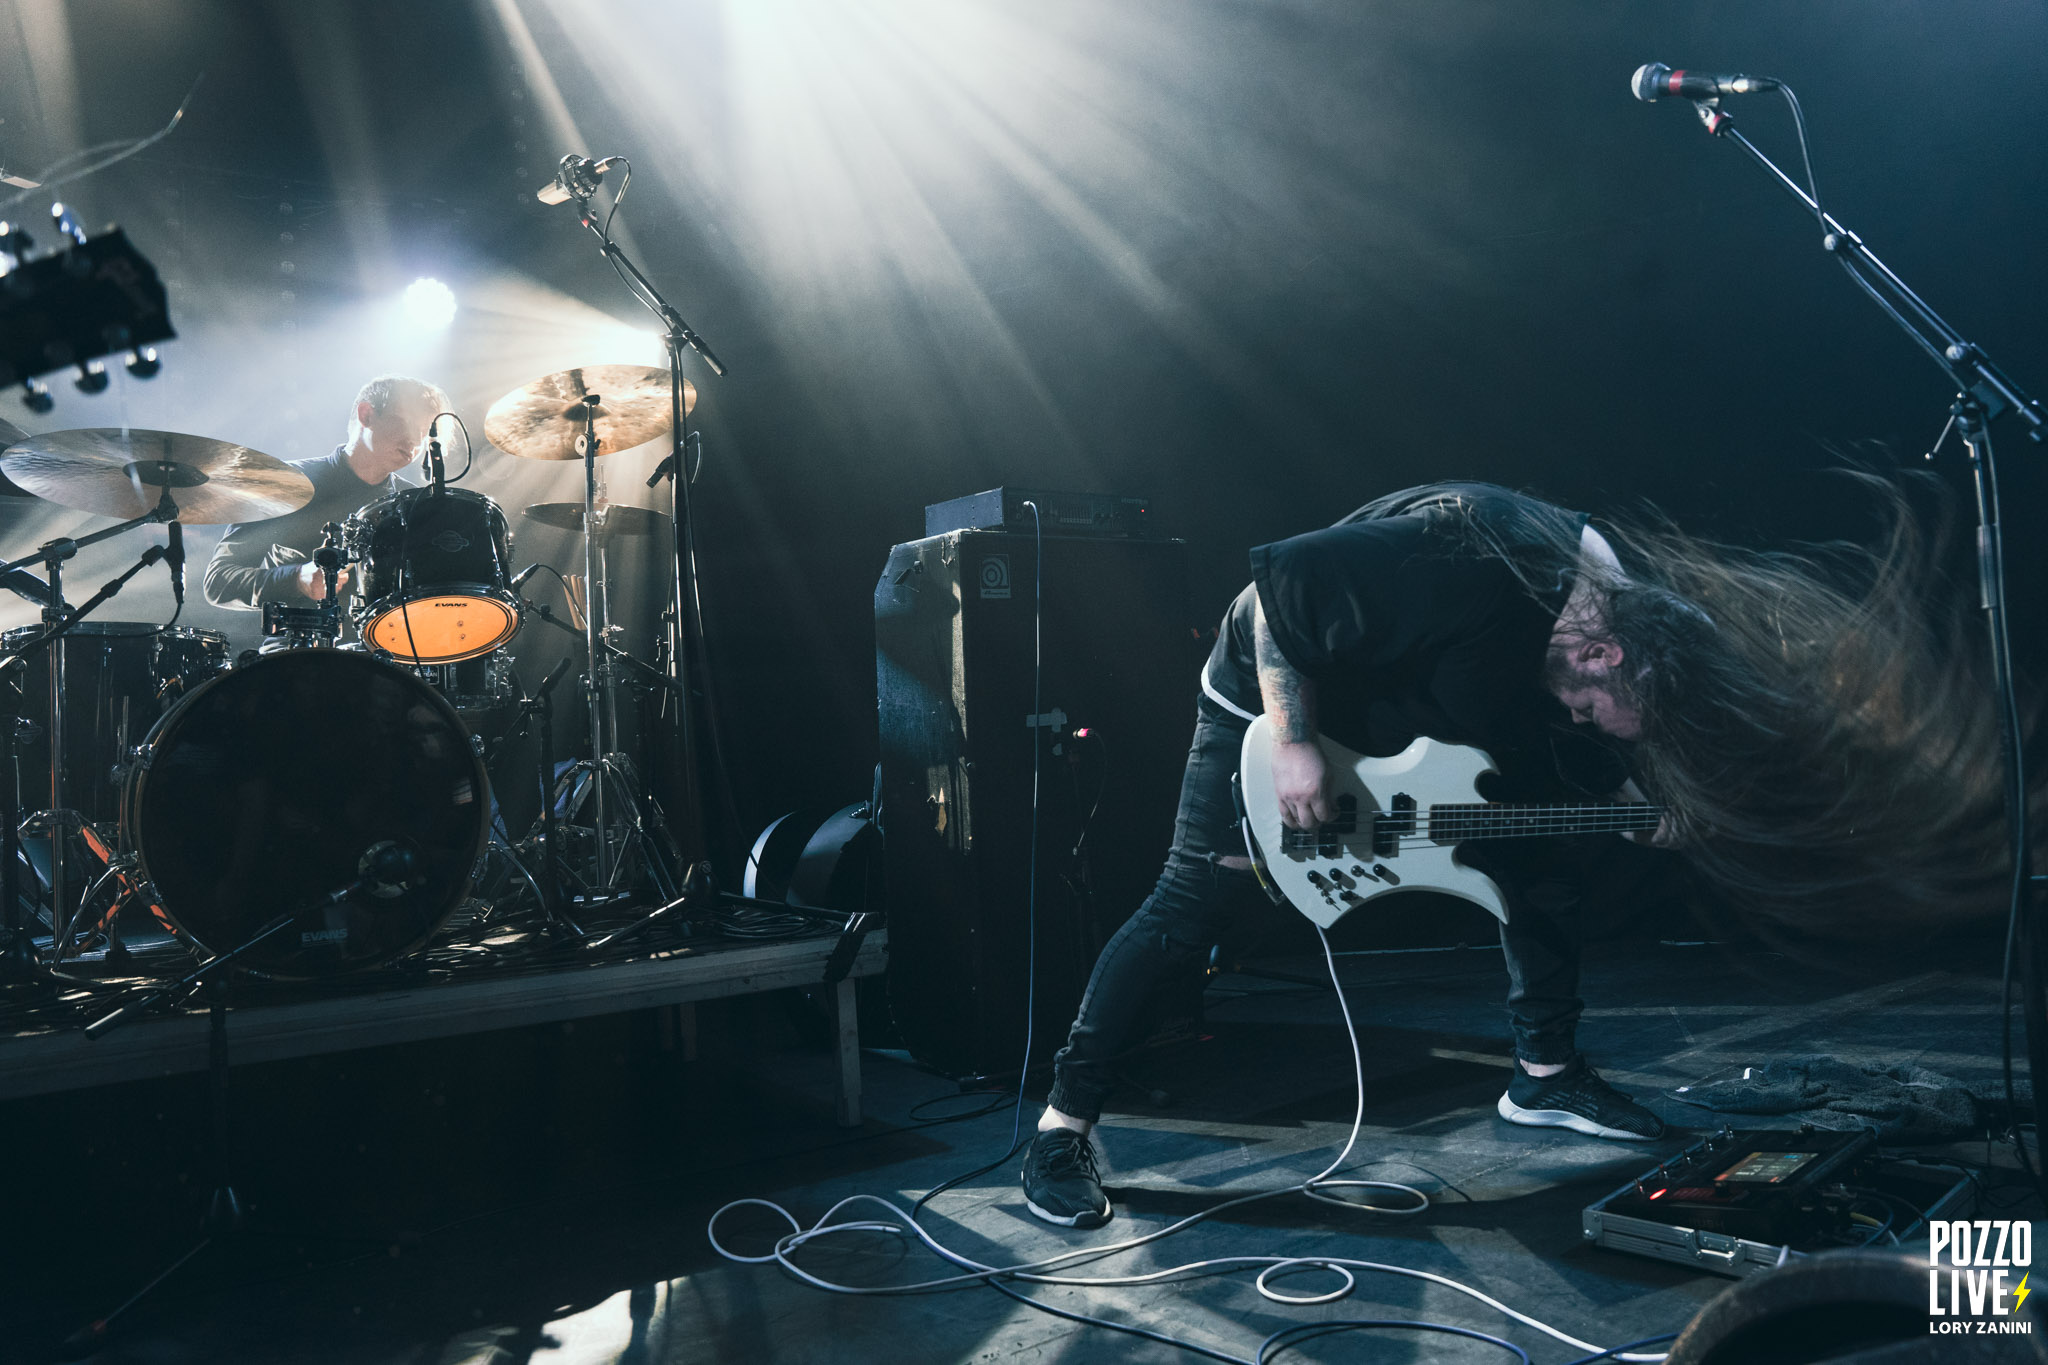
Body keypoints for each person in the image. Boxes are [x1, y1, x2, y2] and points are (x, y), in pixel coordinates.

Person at [1019, 479, 2005, 1230]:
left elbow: (1538, 725)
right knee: (1185, 905)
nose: (1596, 724)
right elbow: (1281, 597)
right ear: (1605, 655)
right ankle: (1061, 1131)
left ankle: (1542, 1074)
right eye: (1607, 714)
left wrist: (1627, 801)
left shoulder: (1593, 608)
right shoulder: (1471, 564)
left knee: (1535, 870)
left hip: (1408, 708)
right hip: (1269, 695)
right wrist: (1290, 744)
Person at [203, 374, 448, 617]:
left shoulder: (416, 504)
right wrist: (296, 579)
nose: (416, 440)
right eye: (406, 423)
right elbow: (218, 581)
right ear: (367, 415)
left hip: (387, 652)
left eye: (424, 430)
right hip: (297, 650)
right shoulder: (284, 481)